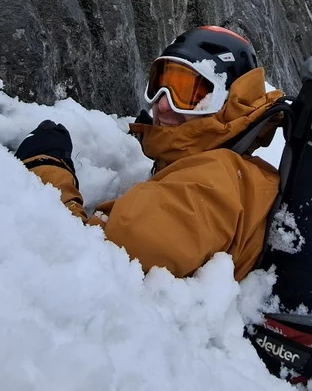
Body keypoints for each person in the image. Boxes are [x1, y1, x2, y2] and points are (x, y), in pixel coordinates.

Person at [16, 26, 285, 280]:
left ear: (229, 105)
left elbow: (91, 263)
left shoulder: (208, 183)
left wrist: (46, 170)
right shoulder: (227, 171)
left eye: (188, 93)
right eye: (161, 85)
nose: (163, 105)